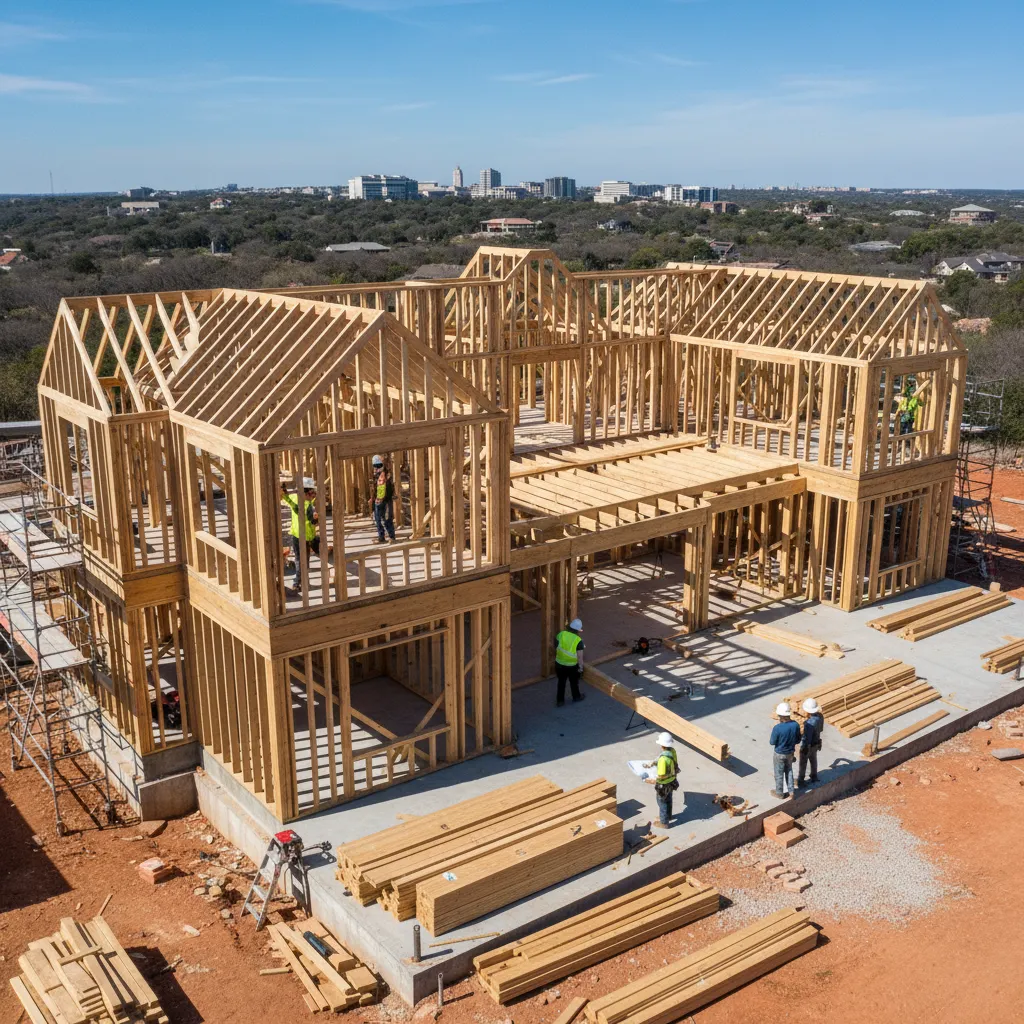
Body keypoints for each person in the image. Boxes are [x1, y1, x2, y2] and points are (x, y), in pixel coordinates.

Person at [281, 478, 319, 592]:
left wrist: (284, 491)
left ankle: (299, 581)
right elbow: (312, 520)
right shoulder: (308, 506)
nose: (313, 495)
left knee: (300, 559)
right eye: (312, 493)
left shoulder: (295, 498)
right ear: (306, 493)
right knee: (303, 561)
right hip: (305, 537)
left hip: (297, 536)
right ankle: (298, 582)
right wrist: (316, 519)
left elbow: (287, 498)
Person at [646, 732, 679, 829]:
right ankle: (668, 816)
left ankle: (664, 822)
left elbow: (661, 775)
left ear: (661, 745)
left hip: (663, 785)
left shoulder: (663, 760)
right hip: (672, 781)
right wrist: (653, 762)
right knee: (668, 799)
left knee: (662, 802)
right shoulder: (672, 751)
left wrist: (652, 779)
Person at [769, 702, 801, 798]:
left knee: (779, 773)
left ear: (780, 716)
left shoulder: (777, 728)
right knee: (789, 771)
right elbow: (798, 740)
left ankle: (779, 793)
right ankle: (791, 791)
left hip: (779, 753)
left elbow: (772, 742)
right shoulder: (795, 725)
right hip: (790, 753)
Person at [553, 618, 586, 707]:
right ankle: (576, 697)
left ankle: (560, 701)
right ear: (578, 630)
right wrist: (581, 668)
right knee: (574, 682)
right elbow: (580, 657)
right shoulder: (578, 641)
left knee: (561, 682)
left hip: (559, 663)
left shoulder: (561, 634)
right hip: (572, 666)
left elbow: (556, 645)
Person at [797, 697, 824, 788]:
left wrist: (804, 746)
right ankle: (814, 776)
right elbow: (821, 729)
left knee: (803, 763)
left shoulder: (809, 723)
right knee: (813, 760)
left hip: (808, 745)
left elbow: (807, 738)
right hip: (816, 742)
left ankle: (801, 780)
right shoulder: (820, 716)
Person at [370, 454, 396, 544]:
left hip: (386, 501)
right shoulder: (375, 476)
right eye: (375, 466)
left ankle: (392, 537)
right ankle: (381, 537)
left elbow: (390, 488)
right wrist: (372, 498)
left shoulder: (387, 475)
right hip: (377, 501)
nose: (377, 468)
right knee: (378, 520)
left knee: (387, 519)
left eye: (379, 465)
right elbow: (374, 488)